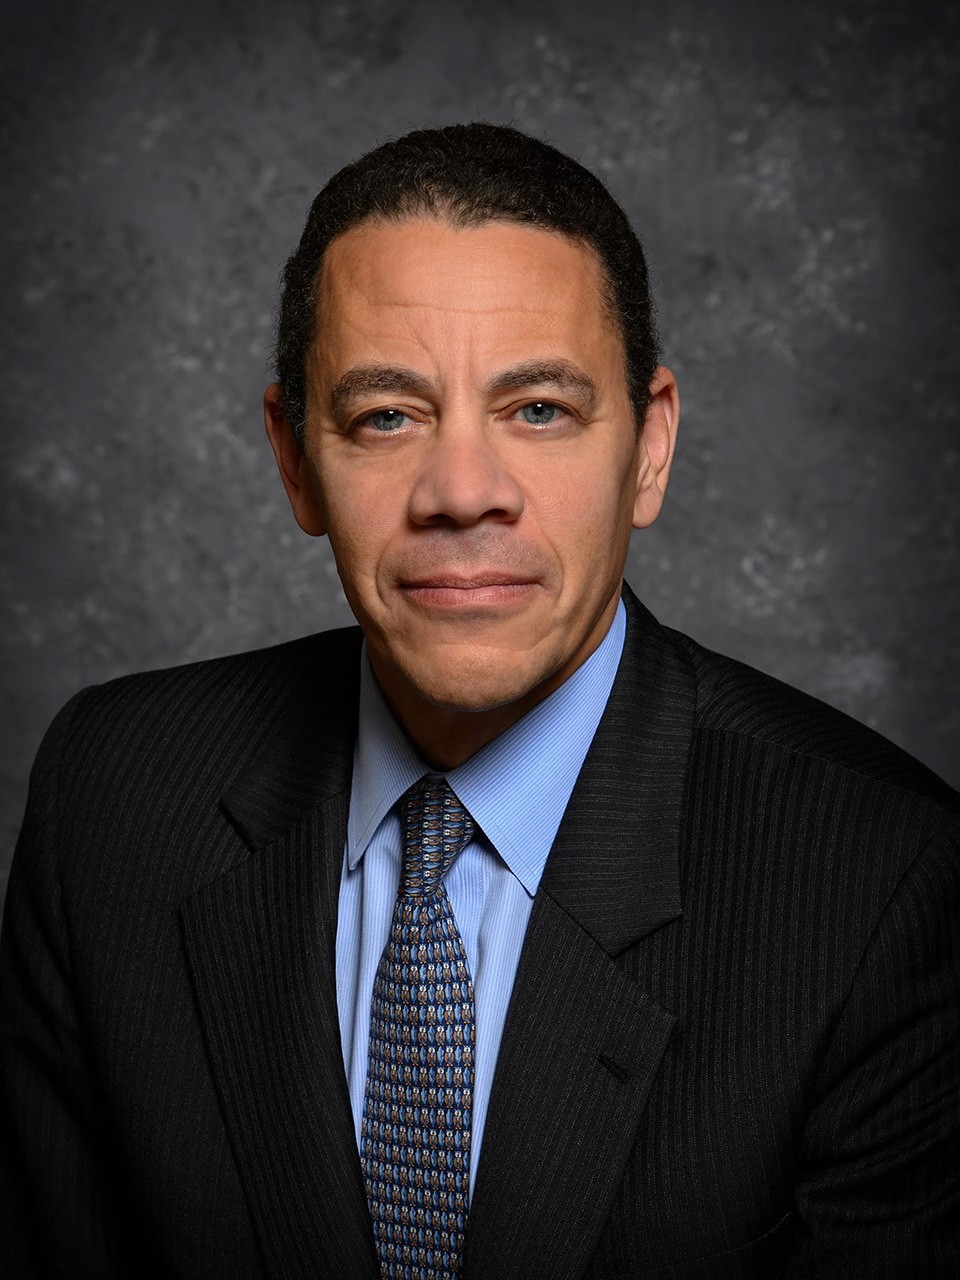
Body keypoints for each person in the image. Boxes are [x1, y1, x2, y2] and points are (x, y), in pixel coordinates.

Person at [1, 123, 957, 1280]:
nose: (463, 492)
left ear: (648, 448)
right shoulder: (109, 799)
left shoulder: (883, 882)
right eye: (386, 416)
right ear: (296, 458)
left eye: (540, 408)